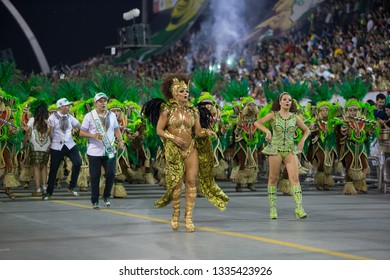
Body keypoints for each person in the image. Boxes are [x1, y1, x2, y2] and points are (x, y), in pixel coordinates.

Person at [142, 73, 228, 233]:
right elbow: (159, 130)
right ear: (174, 92)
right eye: (181, 91)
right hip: (174, 150)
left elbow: (197, 131)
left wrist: (206, 132)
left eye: (187, 91)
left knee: (191, 182)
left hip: (190, 149)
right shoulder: (166, 110)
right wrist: (173, 138)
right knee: (177, 184)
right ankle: (175, 215)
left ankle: (188, 217)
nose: (185, 94)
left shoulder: (193, 111)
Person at [254, 92, 310, 219]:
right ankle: (273, 208)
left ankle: (299, 208)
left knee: (294, 179)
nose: (287, 102)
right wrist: (267, 131)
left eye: (289, 100)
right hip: (275, 149)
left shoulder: (295, 117)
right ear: (279, 102)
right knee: (273, 178)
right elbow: (257, 123)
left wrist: (302, 141)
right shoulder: (273, 116)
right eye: (284, 100)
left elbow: (307, 130)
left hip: (290, 150)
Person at [79, 93, 124, 209]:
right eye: (100, 101)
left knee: (110, 173)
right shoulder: (89, 116)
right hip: (94, 151)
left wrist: (120, 141)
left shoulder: (112, 115)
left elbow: (116, 129)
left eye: (105, 101)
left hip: (109, 150)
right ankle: (95, 200)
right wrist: (92, 135)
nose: (103, 103)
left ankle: (106, 195)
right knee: (95, 176)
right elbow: (81, 132)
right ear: (95, 103)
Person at [43, 98, 81, 200]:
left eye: (69, 105)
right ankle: (49, 192)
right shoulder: (52, 117)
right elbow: (48, 134)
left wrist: (83, 128)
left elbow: (79, 126)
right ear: (60, 107)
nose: (68, 107)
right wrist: (50, 127)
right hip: (57, 146)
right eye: (66, 106)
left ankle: (72, 186)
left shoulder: (70, 117)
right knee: (54, 169)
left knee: (78, 162)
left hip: (70, 144)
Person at [23, 103, 52, 196]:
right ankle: (44, 187)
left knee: (36, 167)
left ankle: (38, 189)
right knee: (44, 166)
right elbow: (49, 134)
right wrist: (50, 127)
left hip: (35, 145)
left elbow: (27, 131)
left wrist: (23, 143)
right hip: (46, 145)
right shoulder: (48, 121)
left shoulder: (32, 120)